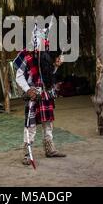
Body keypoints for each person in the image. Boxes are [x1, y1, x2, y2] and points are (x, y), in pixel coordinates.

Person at [14, 24, 66, 166]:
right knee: (30, 125)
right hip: (33, 94)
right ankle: (27, 153)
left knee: (48, 122)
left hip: (46, 93)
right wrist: (28, 90)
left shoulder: (48, 54)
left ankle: (49, 149)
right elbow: (18, 76)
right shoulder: (26, 54)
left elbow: (50, 75)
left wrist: (56, 66)